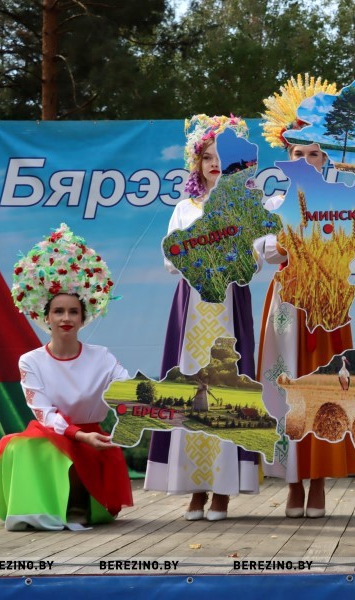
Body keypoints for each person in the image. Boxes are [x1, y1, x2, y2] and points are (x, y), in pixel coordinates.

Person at [144, 115, 262, 522]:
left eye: (222, 157)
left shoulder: (245, 205)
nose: (215, 164)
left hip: (229, 303)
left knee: (227, 384)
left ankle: (223, 490)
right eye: (208, 157)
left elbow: (257, 256)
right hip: (193, 305)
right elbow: (169, 257)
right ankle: (195, 488)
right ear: (197, 163)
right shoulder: (184, 208)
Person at [257, 75, 355, 518]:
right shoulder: (273, 203)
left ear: (327, 156)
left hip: (328, 301)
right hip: (286, 302)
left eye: (314, 153)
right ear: (288, 157)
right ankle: (292, 483)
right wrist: (282, 244)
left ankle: (318, 481)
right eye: (298, 154)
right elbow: (263, 250)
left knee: (325, 384)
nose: (306, 160)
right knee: (285, 386)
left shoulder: (342, 199)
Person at [0, 224, 132, 530]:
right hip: (54, 433)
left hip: (93, 436)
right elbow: (43, 413)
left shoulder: (102, 357)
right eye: (58, 312)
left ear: (83, 318)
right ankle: (36, 508)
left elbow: (129, 390)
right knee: (21, 446)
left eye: (73, 312)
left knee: (83, 448)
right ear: (46, 317)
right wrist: (77, 435)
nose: (66, 318)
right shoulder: (30, 361)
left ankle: (78, 504)